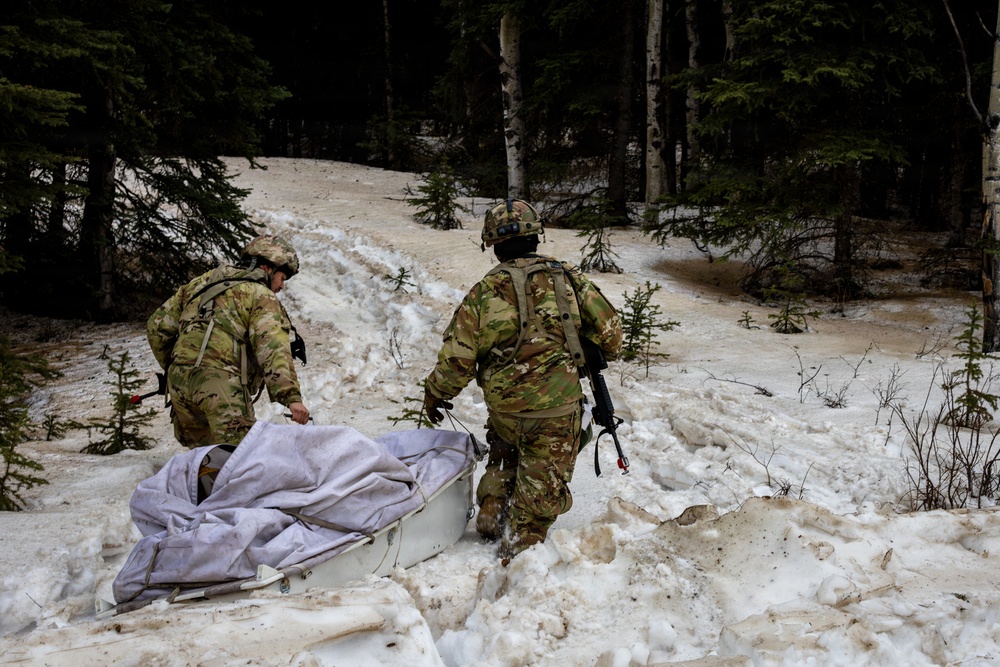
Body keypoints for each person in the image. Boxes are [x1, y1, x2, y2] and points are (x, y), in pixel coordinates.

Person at [423, 199, 623, 560]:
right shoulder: (569, 278)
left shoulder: (483, 292)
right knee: (545, 470)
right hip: (555, 411)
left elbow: (457, 358)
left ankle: (493, 505)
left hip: (504, 411)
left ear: (494, 245)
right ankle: (522, 539)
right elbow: (613, 337)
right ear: (536, 237)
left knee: (506, 446)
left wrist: (435, 395)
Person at [147, 234, 310, 448]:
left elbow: (157, 326)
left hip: (179, 386)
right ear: (268, 268)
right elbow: (272, 347)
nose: (281, 286)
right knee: (238, 460)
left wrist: (178, 366)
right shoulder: (261, 295)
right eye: (283, 278)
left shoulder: (202, 283)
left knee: (205, 458)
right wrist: (291, 397)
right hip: (220, 387)